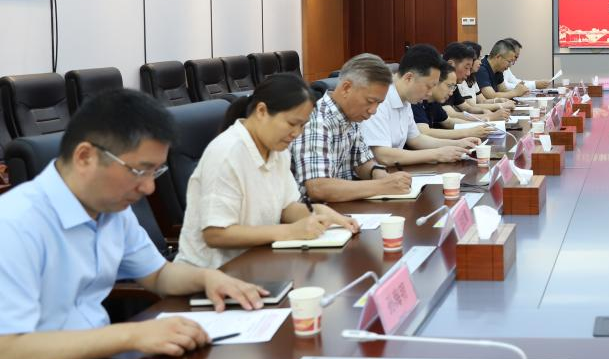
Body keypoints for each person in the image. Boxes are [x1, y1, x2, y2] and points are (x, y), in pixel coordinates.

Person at [0, 90, 265, 359]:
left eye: (156, 172)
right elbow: (6, 353)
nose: (149, 188)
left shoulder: (112, 210)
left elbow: (159, 275)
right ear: (85, 157)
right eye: (140, 171)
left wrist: (207, 278)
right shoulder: (14, 225)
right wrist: (132, 335)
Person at [176, 74, 360, 270]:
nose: (297, 133)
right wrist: (289, 231)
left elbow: (287, 208)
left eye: (302, 126)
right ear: (262, 111)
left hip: (257, 262)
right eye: (292, 124)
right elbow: (216, 234)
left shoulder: (277, 149)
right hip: (212, 273)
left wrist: (321, 213)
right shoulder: (226, 153)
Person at [290, 53, 413, 203]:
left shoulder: (351, 117)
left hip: (341, 207)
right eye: (370, 101)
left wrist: (379, 174)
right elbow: (318, 188)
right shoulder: (316, 122)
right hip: (310, 212)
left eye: (379, 103)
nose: (373, 110)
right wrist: (383, 186)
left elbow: (362, 163)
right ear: (346, 88)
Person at [359, 43, 475, 167]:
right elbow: (383, 155)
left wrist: (458, 144)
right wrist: (437, 154)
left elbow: (416, 139)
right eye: (428, 86)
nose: (430, 93)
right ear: (409, 78)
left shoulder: (406, 98)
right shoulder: (379, 99)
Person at [415, 63, 492, 140]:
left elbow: (448, 121)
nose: (451, 93)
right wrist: (468, 132)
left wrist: (478, 126)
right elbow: (425, 132)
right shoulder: (416, 100)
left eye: (453, 87)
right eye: (449, 86)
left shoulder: (433, 101)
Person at [443, 42, 509, 122]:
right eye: (466, 68)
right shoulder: (442, 83)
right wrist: (487, 117)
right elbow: (450, 116)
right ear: (451, 64)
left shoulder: (454, 85)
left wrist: (484, 111)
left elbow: (467, 108)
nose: (468, 73)